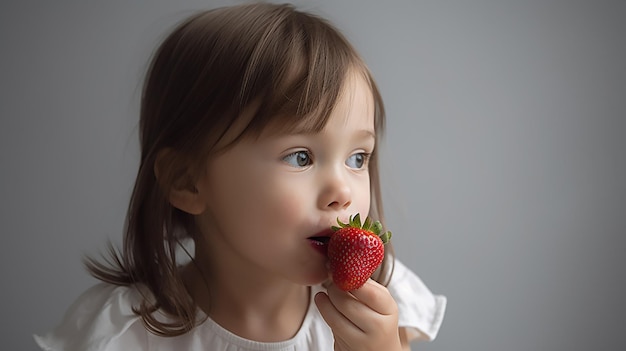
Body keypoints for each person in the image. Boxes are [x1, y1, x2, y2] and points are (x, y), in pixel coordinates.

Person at [34, 3, 446, 350]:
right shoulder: (120, 333)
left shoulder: (381, 303)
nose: (342, 191)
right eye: (300, 156)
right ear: (187, 181)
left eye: (358, 158)